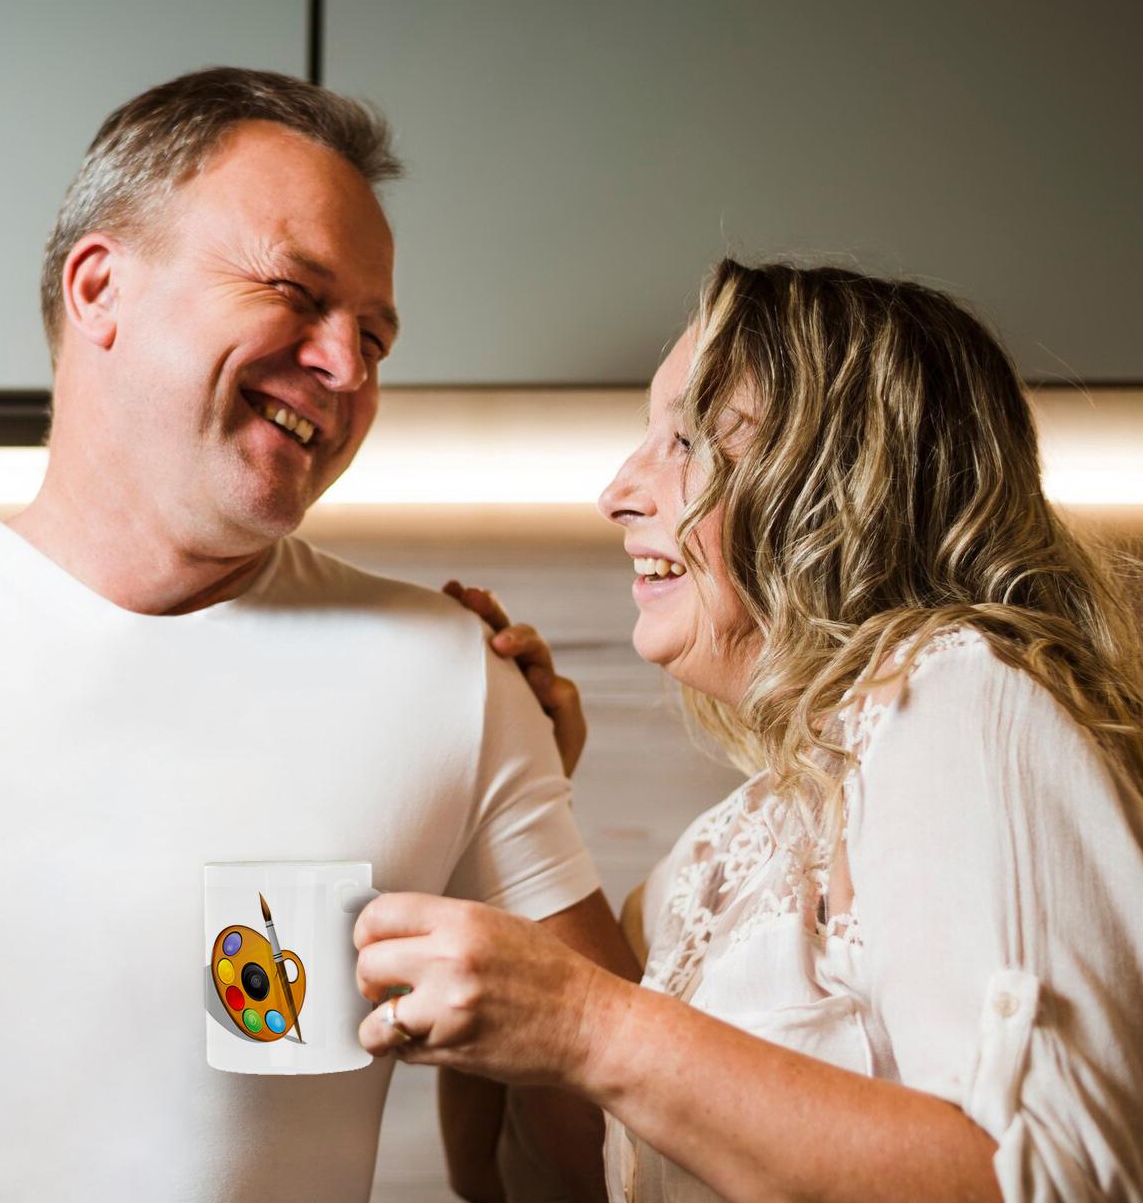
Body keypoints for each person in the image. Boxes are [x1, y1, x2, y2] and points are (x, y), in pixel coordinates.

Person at [0, 67, 635, 1202]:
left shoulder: (449, 676)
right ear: (100, 288)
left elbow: (603, 1162)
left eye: (374, 336)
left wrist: (508, 814)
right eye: (295, 291)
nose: (345, 367)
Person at [354, 259, 1143, 1202]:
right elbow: (524, 1177)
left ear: (839, 483)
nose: (617, 490)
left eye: (685, 438)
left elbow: (1060, 1180)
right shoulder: (717, 857)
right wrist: (509, 791)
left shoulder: (957, 692)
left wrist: (587, 1023)